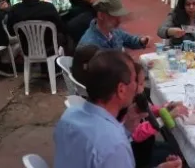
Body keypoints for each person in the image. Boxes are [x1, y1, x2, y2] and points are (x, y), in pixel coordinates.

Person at [53, 50, 182, 168]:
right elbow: (106, 147)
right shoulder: (114, 145)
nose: (136, 86)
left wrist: (125, 129)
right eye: (133, 80)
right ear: (121, 90)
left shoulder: (70, 115)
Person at [8, 0, 72, 58]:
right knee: (63, 34)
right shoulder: (48, 7)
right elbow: (60, 28)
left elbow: (11, 32)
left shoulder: (14, 10)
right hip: (49, 47)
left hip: (27, 48)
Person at [78, 0, 150, 50]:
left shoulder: (112, 29)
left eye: (119, 16)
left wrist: (141, 41)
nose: (119, 20)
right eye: (114, 16)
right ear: (101, 15)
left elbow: (127, 39)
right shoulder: (90, 45)